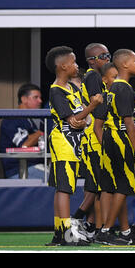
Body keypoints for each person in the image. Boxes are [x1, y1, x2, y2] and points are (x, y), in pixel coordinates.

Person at [44, 46, 103, 246]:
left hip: (74, 144)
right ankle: (66, 234)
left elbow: (80, 120)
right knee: (64, 189)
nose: (77, 66)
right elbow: (73, 120)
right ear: (63, 66)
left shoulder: (72, 88)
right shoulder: (56, 91)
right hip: (63, 143)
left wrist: (82, 117)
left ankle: (60, 234)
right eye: (74, 62)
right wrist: (92, 107)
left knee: (64, 188)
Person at [94, 49, 135, 245]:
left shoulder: (113, 88)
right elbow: (129, 124)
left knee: (117, 187)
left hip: (110, 139)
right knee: (123, 186)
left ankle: (124, 231)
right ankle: (105, 230)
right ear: (124, 65)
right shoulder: (124, 88)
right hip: (120, 139)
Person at [71, 43, 111, 242]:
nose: (107, 58)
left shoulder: (94, 77)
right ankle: (74, 222)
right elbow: (98, 108)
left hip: (92, 137)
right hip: (94, 138)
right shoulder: (93, 76)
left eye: (108, 54)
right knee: (96, 186)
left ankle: (91, 227)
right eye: (103, 55)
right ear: (91, 61)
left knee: (93, 187)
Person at [0, 83, 45, 179]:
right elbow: (25, 144)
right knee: (59, 183)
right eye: (35, 97)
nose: (40, 101)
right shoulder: (11, 119)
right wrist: (41, 133)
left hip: (38, 167)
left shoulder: (35, 120)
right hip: (17, 171)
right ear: (24, 99)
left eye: (40, 98)